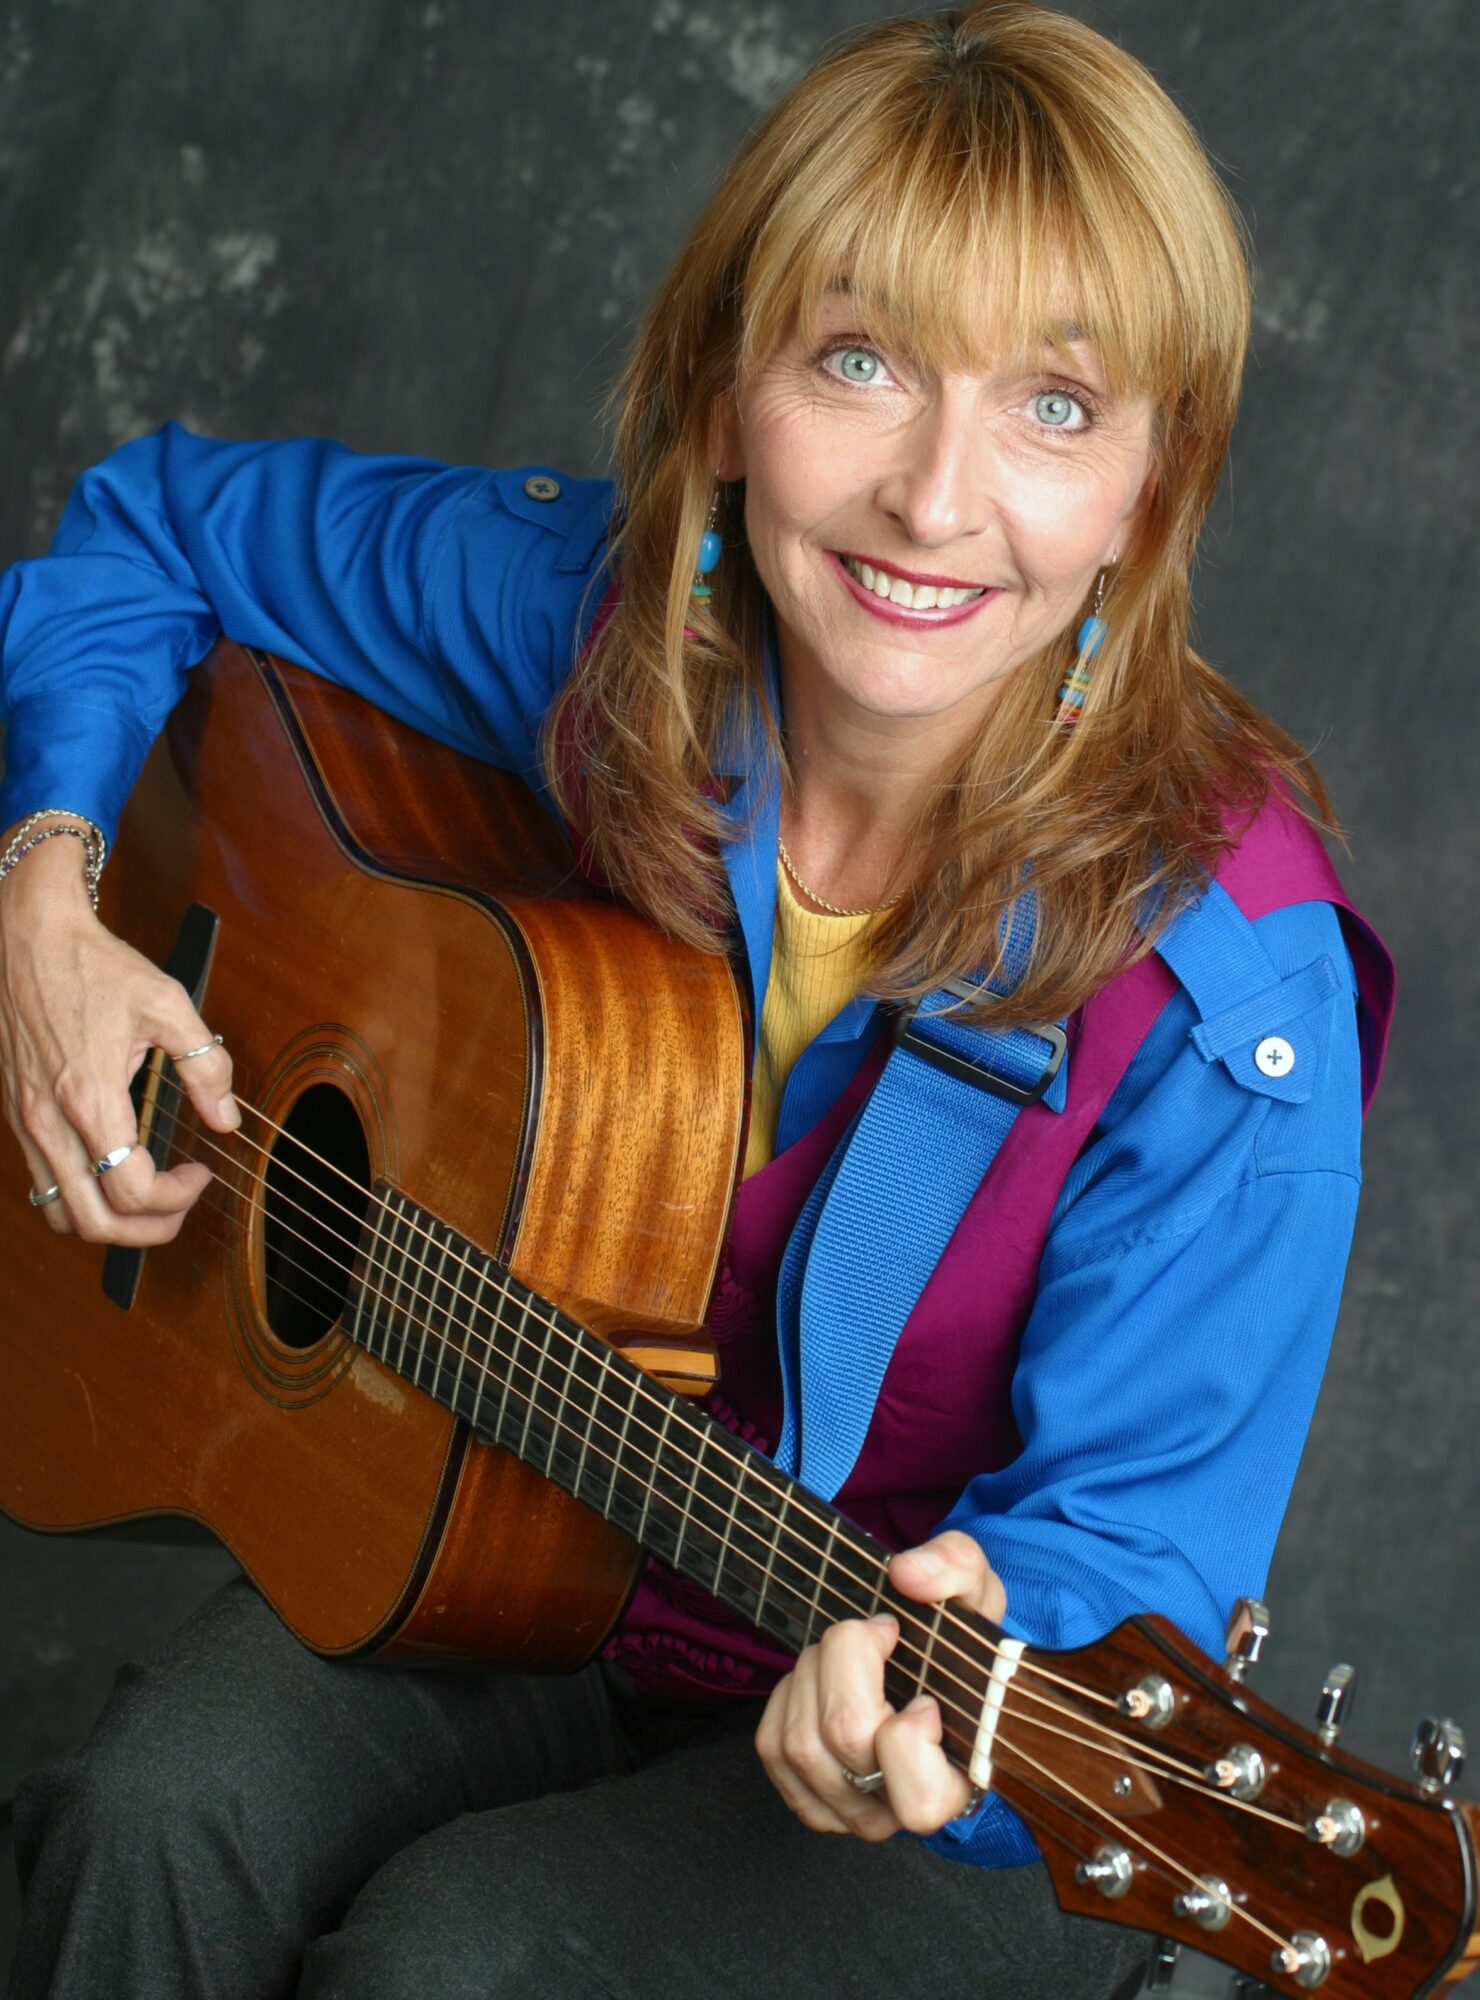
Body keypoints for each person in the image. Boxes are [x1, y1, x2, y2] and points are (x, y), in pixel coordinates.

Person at [0, 4, 1393, 1996]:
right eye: (860, 361)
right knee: (145, 1822)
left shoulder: (1230, 988)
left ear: (1146, 494)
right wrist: (46, 901)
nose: (933, 499)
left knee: (454, 1967)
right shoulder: (604, 641)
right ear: (726, 390)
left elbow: (1137, 1558)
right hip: (518, 1537)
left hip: (939, 1745)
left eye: (1053, 407)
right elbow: (157, 530)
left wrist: (980, 1643)